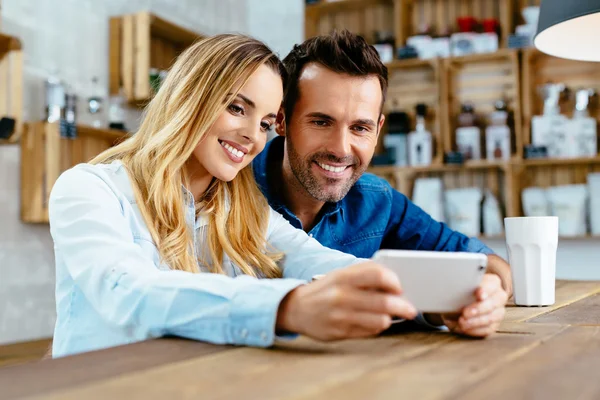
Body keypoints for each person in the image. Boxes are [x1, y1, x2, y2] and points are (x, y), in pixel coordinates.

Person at [49, 34, 425, 358]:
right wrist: (285, 308)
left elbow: (315, 260)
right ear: (190, 97)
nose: (252, 136)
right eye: (236, 107)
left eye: (264, 123)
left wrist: (435, 300)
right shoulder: (88, 189)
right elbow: (128, 292)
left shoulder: (243, 210)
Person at [253, 30, 511, 337]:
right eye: (321, 122)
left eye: (360, 127)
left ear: (378, 130)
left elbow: (486, 263)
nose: (341, 148)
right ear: (282, 119)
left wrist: (488, 294)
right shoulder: (230, 190)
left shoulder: (377, 201)